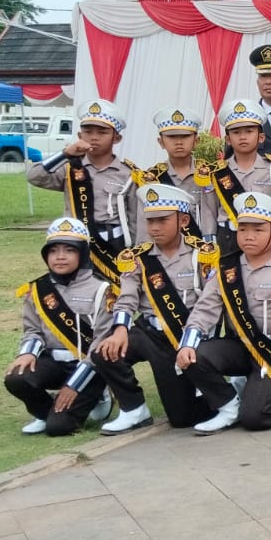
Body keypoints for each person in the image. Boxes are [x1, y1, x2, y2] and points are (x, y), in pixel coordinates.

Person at [175, 192, 271, 434]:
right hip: (240, 347)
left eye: (258, 230)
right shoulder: (226, 268)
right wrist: (187, 343)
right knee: (197, 355)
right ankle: (228, 406)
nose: (249, 236)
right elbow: (205, 309)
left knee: (255, 419)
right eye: (243, 229)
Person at [95, 185, 218, 434]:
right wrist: (120, 329)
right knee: (105, 352)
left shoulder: (202, 255)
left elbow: (209, 303)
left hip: (185, 336)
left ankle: (216, 395)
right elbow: (127, 296)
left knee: (181, 418)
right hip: (149, 333)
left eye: (163, 220)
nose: (155, 227)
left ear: (183, 220)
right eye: (150, 221)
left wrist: (194, 339)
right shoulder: (137, 257)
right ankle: (134, 409)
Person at [4, 218, 122, 436]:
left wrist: (74, 385)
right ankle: (44, 413)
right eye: (53, 251)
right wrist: (27, 353)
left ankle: (100, 395)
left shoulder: (103, 290)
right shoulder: (38, 289)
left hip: (89, 368)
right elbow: (32, 330)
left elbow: (100, 342)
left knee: (58, 428)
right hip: (54, 362)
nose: (60, 257)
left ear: (82, 253)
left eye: (69, 250)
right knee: (16, 377)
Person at [26, 98, 139, 283]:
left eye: (102, 132)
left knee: (115, 288)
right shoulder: (69, 168)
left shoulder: (128, 173)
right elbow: (34, 176)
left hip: (114, 243)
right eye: (88, 132)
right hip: (76, 240)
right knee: (77, 286)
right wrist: (65, 154)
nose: (94, 137)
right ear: (80, 135)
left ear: (116, 138)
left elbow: (135, 217)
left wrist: (136, 249)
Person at [203, 98, 271, 252]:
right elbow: (209, 212)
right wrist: (209, 244)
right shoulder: (216, 173)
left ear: (261, 137)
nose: (242, 137)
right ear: (228, 139)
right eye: (236, 132)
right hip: (227, 239)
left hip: (264, 240)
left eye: (249, 131)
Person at [138, 107, 213, 241]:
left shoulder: (209, 174)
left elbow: (212, 216)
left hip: (201, 247)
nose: (179, 142)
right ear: (161, 142)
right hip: (163, 248)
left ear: (196, 141)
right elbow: (144, 222)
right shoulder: (151, 179)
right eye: (171, 137)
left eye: (185, 136)